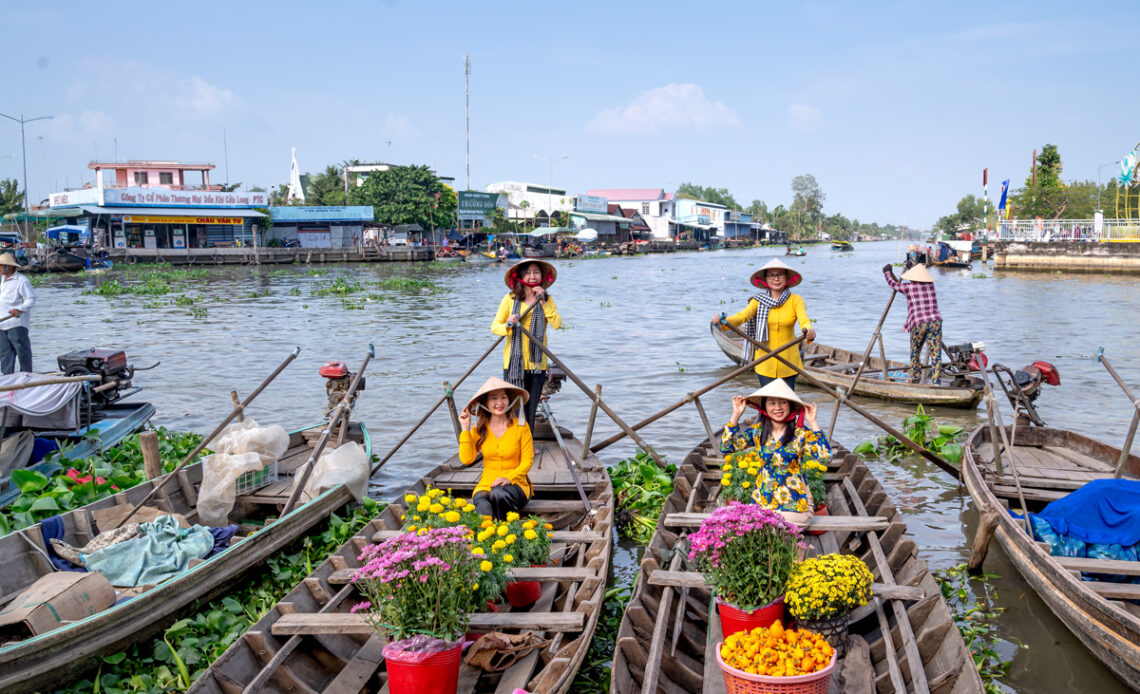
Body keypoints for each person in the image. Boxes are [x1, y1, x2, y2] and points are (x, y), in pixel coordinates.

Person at [720, 379, 831, 522]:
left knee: (769, 526)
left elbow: (825, 457)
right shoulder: (757, 432)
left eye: (783, 402)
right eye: (772, 403)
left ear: (790, 405)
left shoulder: (801, 433)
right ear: (764, 407)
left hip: (795, 505)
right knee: (755, 526)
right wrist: (736, 415)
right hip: (762, 503)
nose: (777, 407)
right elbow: (726, 448)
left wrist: (813, 422)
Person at [714, 258, 815, 389]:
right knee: (768, 402)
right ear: (765, 279)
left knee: (788, 403)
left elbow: (804, 320)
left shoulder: (795, 300)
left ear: (786, 277)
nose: (776, 278)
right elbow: (743, 316)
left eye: (780, 274)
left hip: (789, 362)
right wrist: (724, 322)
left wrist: (808, 331)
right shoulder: (757, 301)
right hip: (765, 361)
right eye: (772, 275)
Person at [491, 260, 562, 428]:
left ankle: (528, 443)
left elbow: (557, 324)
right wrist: (508, 324)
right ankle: (515, 443)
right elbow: (495, 327)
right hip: (514, 362)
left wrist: (543, 302)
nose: (532, 276)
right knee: (515, 407)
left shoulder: (546, 300)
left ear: (542, 276)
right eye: (528, 272)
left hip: (537, 362)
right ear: (521, 276)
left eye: (536, 272)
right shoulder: (510, 299)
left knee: (531, 407)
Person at [458, 377, 533, 519]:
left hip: (517, 484)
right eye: (494, 398)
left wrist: (508, 477)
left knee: (498, 494)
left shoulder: (521, 427)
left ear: (509, 400)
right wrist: (465, 428)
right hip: (486, 484)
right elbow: (467, 459)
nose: (499, 403)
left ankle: (507, 533)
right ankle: (488, 538)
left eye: (503, 397)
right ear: (485, 402)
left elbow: (527, 462)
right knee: (483, 504)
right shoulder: (479, 429)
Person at [882, 263, 943, 384]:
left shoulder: (909, 288)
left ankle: (916, 377)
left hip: (919, 323)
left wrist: (887, 273)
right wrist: (911, 267)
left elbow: (894, 285)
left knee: (915, 352)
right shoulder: (931, 285)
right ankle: (937, 381)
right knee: (936, 353)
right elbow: (913, 278)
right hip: (935, 321)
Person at [0, 253, 34, 375]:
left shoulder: (21, 281)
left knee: (22, 351)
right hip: (3, 324)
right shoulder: (3, 281)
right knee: (5, 353)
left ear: (9, 267)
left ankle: (27, 376)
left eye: (1, 266)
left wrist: (19, 309)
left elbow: (30, 299)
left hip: (16, 323)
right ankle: (7, 379)